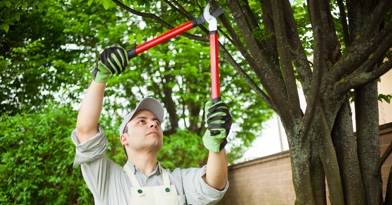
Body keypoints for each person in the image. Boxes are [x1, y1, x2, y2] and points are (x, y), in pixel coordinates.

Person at [71, 47, 233, 205]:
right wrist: (100, 77)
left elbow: (214, 185)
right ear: (124, 138)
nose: (153, 123)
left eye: (156, 121)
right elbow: (86, 131)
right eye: (142, 120)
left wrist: (216, 143)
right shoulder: (108, 179)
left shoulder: (179, 180)